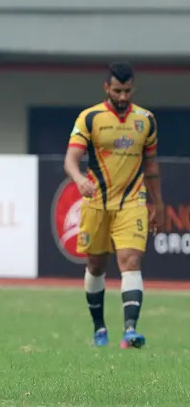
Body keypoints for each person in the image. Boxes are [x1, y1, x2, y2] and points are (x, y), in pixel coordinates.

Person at [63, 62, 165, 349]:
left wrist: (157, 201)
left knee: (130, 261)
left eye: (128, 91)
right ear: (107, 88)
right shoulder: (90, 118)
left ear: (134, 89)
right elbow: (71, 159)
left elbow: (152, 164)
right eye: (118, 90)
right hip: (96, 202)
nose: (123, 96)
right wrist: (79, 178)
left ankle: (130, 331)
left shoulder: (146, 120)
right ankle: (99, 329)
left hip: (132, 201)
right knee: (96, 265)